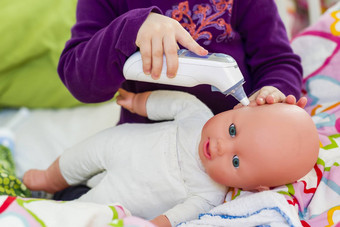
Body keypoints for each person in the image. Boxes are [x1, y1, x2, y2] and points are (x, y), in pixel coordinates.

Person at [23, 89, 320, 227]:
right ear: (240, 109)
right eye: (232, 130)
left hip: (120, 194)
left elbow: (174, 218)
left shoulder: (208, 195)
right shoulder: (199, 115)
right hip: (113, 145)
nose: (219, 147)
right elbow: (179, 103)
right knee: (78, 157)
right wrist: (139, 102)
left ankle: (43, 213)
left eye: (236, 162)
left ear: (253, 187)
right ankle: (49, 179)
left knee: (82, 213)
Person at [57, 0, 306, 126]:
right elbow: (78, 79)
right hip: (147, 151)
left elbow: (277, 60)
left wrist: (273, 93)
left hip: (234, 152)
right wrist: (130, 28)